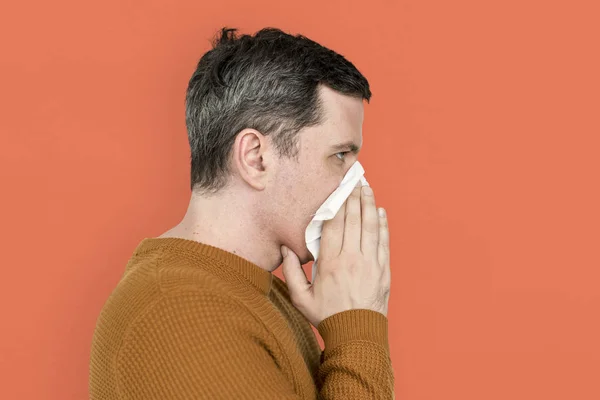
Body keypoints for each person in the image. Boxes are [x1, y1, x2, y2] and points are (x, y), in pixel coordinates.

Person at [89, 27, 394, 399]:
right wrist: (357, 330)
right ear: (256, 157)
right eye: (339, 156)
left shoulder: (258, 295)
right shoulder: (180, 311)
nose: (356, 184)